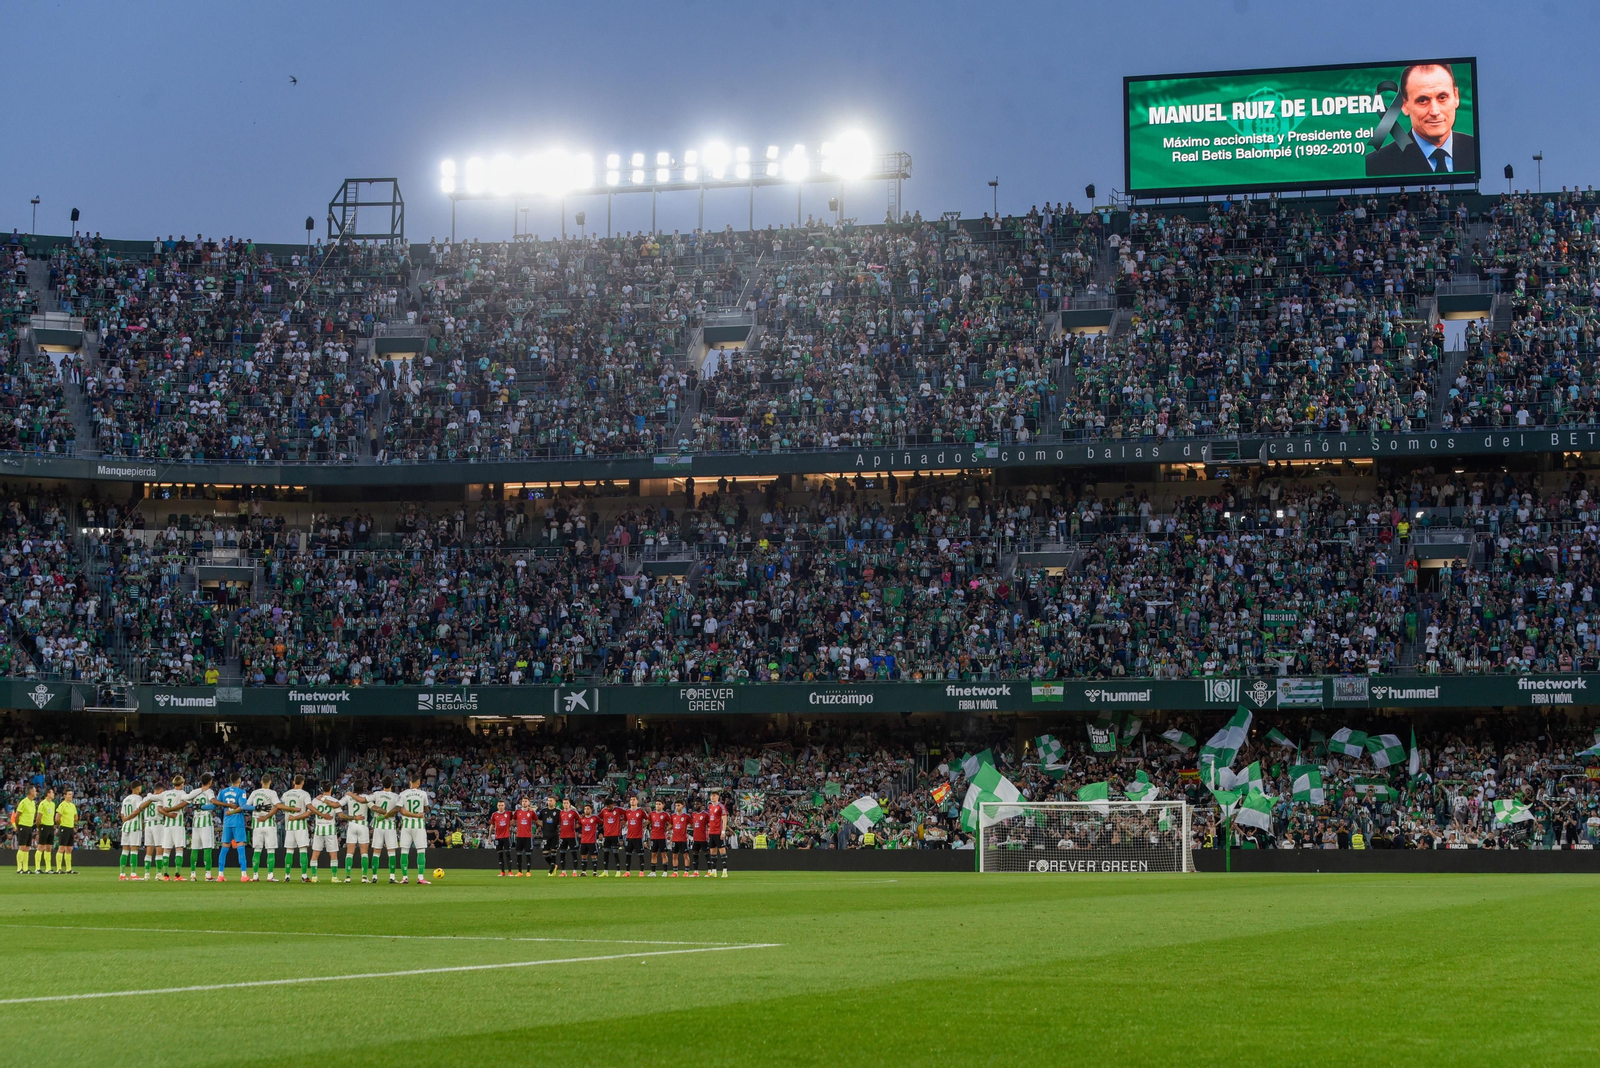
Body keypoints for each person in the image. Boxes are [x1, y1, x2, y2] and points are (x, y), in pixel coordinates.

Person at [1365, 63, 1476, 178]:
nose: (1434, 111)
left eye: (1442, 98)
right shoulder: (1376, 164)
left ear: (1456, 97)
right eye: (1422, 100)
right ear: (1405, 105)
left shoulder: (1477, 150)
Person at [247, 774, 285, 882]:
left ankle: (255, 875)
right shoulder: (272, 793)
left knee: (257, 850)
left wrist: (257, 808)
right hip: (269, 825)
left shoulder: (254, 793)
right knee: (271, 850)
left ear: (261, 782)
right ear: (270, 782)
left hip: (257, 825)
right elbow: (278, 805)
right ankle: (270, 875)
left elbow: (247, 806)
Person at [396, 772, 431, 884]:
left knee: (404, 851)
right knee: (421, 850)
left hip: (406, 825)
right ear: (419, 783)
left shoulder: (403, 794)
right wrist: (417, 814)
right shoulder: (423, 794)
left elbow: (401, 810)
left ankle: (405, 877)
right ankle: (420, 877)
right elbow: (427, 809)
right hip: (419, 825)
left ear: (410, 782)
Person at [154, 775, 191, 880]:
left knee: (166, 850)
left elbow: (159, 808)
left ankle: (165, 875)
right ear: (182, 784)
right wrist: (171, 812)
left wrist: (167, 814)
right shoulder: (182, 793)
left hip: (167, 825)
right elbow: (185, 803)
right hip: (177, 824)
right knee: (179, 849)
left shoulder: (165, 794)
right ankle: (177, 875)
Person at [216, 774, 250, 882]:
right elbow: (242, 806)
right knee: (241, 847)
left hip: (227, 823)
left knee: (224, 848)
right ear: (239, 780)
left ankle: (220, 874)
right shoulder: (241, 792)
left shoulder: (223, 792)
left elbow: (217, 803)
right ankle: (243, 875)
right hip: (238, 822)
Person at [279, 775, 314, 883]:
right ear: (303, 782)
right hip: (300, 826)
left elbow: (280, 805)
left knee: (289, 851)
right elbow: (309, 809)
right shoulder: (305, 794)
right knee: (303, 850)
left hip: (289, 826)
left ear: (294, 782)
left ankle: (287, 875)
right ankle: (304, 876)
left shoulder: (286, 794)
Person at [367, 778, 402, 884]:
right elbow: (397, 809)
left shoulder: (377, 794)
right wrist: (387, 814)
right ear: (392, 784)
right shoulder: (396, 796)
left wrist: (374, 807)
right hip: (390, 826)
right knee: (391, 852)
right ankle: (392, 877)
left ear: (382, 784)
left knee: (376, 852)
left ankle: (374, 876)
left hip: (378, 826)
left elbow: (366, 800)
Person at [186, 773, 217, 881]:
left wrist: (196, 806)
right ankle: (208, 875)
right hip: (206, 823)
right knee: (207, 848)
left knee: (194, 848)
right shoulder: (209, 791)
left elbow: (187, 803)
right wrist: (202, 806)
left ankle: (192, 874)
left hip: (195, 823)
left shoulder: (195, 792)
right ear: (209, 782)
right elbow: (213, 805)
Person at [339, 779, 371, 884]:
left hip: (352, 824)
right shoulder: (366, 798)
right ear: (363, 787)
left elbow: (338, 804)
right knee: (364, 853)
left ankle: (347, 877)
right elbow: (373, 807)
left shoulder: (348, 796)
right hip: (363, 826)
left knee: (349, 852)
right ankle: (364, 877)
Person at [309, 786, 342, 882]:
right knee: (333, 854)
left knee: (315, 853)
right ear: (331, 789)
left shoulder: (315, 800)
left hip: (318, 829)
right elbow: (340, 815)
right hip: (330, 830)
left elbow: (309, 812)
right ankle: (334, 877)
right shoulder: (334, 801)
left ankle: (314, 877)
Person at [12, 784, 37, 875]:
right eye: (34, 791)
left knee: (27, 848)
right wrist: (18, 826)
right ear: (30, 792)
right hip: (23, 826)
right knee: (22, 847)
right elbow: (17, 816)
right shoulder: (23, 802)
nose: (36, 792)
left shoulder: (33, 802)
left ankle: (25, 868)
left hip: (29, 826)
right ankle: (19, 868)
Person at [54, 789, 78, 875]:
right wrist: (61, 824)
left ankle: (68, 868)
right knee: (62, 847)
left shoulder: (72, 806)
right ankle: (58, 868)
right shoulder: (62, 805)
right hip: (64, 827)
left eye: (71, 794)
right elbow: (57, 817)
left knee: (69, 848)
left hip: (70, 828)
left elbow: (76, 818)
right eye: (69, 794)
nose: (70, 796)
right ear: (65, 795)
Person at [621, 795, 646, 877]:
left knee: (640, 854)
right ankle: (627, 871)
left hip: (638, 837)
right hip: (629, 836)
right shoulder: (627, 812)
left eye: (634, 799)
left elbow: (648, 819)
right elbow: (624, 821)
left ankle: (641, 872)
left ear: (637, 801)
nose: (632, 801)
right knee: (628, 854)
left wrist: (643, 825)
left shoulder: (641, 811)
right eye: (631, 799)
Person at [599, 796, 623, 876]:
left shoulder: (618, 810)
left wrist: (623, 822)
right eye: (607, 806)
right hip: (607, 835)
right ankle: (605, 871)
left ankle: (618, 871)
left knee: (616, 853)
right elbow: (598, 818)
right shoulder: (604, 811)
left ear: (613, 804)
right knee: (606, 853)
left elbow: (627, 813)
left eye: (609, 806)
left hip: (615, 835)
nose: (608, 808)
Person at [707, 790, 729, 878]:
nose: (712, 797)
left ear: (718, 797)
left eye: (714, 795)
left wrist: (723, 831)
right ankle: (714, 871)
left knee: (722, 851)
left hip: (718, 832)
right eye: (711, 795)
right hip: (711, 832)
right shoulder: (710, 806)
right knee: (712, 852)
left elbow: (724, 819)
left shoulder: (721, 806)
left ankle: (724, 871)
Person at [512, 797, 535, 876]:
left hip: (528, 836)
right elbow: (512, 821)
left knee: (528, 854)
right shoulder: (517, 812)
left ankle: (528, 871)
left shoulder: (531, 812)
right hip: (519, 836)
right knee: (519, 854)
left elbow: (537, 820)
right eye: (523, 801)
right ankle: (519, 872)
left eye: (526, 801)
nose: (524, 802)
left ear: (529, 802)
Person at [34, 787, 55, 874]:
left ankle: (48, 868)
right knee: (41, 847)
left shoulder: (53, 804)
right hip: (44, 826)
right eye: (52, 792)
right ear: (48, 794)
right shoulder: (42, 804)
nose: (53, 794)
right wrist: (39, 828)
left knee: (49, 848)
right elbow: (38, 818)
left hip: (50, 826)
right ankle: (37, 868)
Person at [556, 798, 579, 876]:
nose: (565, 804)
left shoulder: (573, 812)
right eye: (564, 803)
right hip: (563, 836)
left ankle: (575, 871)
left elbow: (580, 821)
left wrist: (575, 827)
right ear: (562, 804)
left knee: (574, 854)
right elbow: (558, 822)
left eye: (567, 803)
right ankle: (563, 872)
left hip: (571, 836)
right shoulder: (561, 813)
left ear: (569, 804)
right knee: (562, 854)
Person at [647, 800, 670, 877]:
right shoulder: (652, 814)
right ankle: (653, 872)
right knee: (653, 854)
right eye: (656, 804)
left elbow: (671, 823)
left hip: (662, 837)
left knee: (663, 854)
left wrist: (666, 829)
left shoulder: (665, 814)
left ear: (662, 805)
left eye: (659, 804)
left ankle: (665, 872)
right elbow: (648, 822)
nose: (657, 806)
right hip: (654, 837)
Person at [668, 801, 691, 877]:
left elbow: (692, 824)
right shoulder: (673, 816)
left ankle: (686, 872)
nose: (677, 807)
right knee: (674, 856)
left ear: (682, 806)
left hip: (683, 839)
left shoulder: (686, 816)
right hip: (675, 839)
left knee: (685, 856)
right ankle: (675, 872)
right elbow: (670, 825)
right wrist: (664, 830)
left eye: (678, 805)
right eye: (676, 805)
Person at [491, 800, 513, 877]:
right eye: (499, 805)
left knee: (508, 854)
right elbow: (492, 825)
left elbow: (515, 817)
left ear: (504, 806)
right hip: (498, 837)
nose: (501, 807)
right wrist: (489, 836)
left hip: (506, 837)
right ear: (497, 806)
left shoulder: (508, 813)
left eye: (502, 805)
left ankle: (510, 871)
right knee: (500, 854)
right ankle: (502, 872)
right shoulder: (494, 815)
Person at [577, 803, 600, 876]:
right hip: (583, 841)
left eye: (588, 809)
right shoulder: (582, 819)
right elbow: (577, 826)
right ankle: (584, 872)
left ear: (591, 810)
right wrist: (578, 833)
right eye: (585, 809)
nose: (586, 810)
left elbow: (602, 823)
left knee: (593, 856)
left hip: (592, 841)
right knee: (583, 856)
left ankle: (595, 872)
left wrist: (600, 833)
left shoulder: (595, 818)